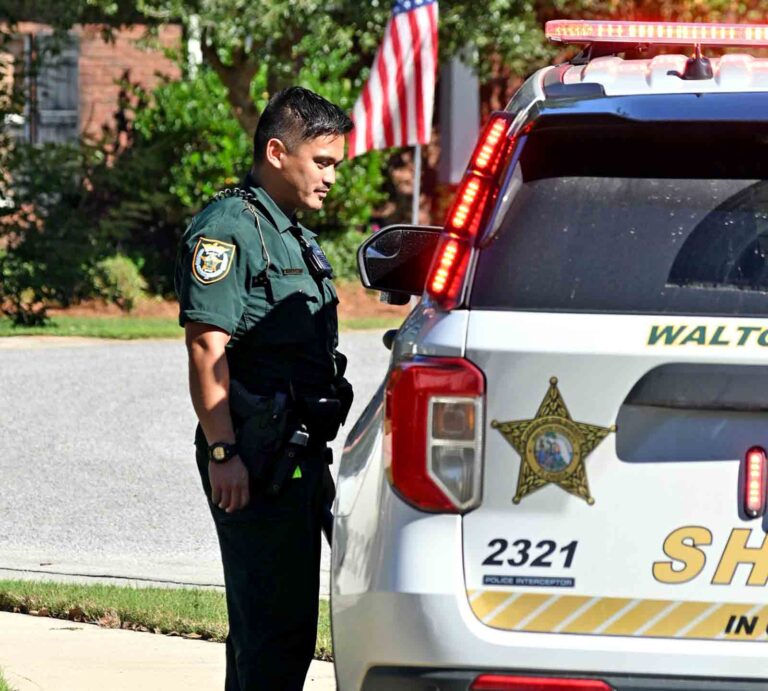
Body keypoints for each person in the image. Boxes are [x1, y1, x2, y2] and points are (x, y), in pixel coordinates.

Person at [174, 86, 353, 691]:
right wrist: (224, 452)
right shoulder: (229, 229)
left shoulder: (289, 232)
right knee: (270, 633)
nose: (331, 178)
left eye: (335, 165)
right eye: (321, 162)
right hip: (253, 455)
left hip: (296, 452)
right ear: (277, 153)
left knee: (285, 628)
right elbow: (206, 349)